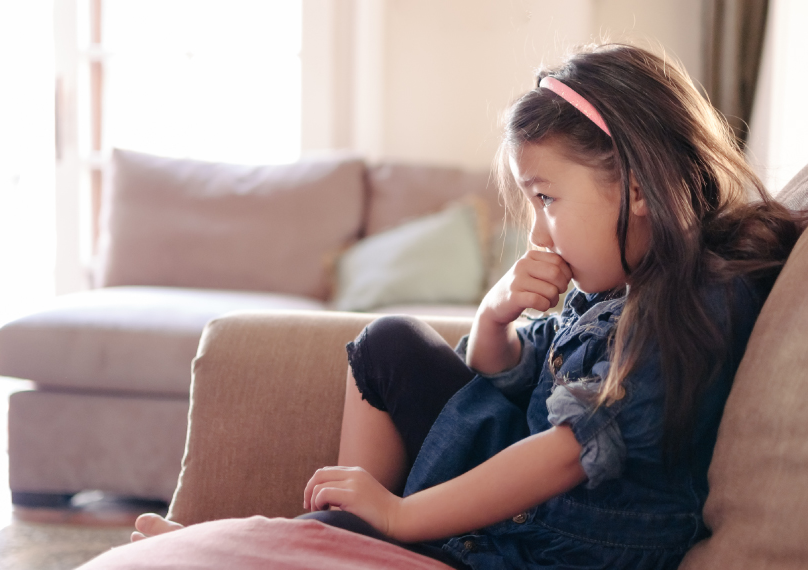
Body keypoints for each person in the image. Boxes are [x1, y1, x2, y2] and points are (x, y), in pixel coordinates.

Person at [132, 43, 806, 569]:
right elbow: (505, 377)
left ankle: (317, 541)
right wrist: (493, 317)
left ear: (635, 187)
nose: (539, 231)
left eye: (547, 198)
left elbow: (567, 454)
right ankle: (334, 536)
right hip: (524, 496)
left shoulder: (693, 301)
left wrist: (401, 514)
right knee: (387, 343)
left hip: (552, 544)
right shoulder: (613, 289)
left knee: (366, 522)